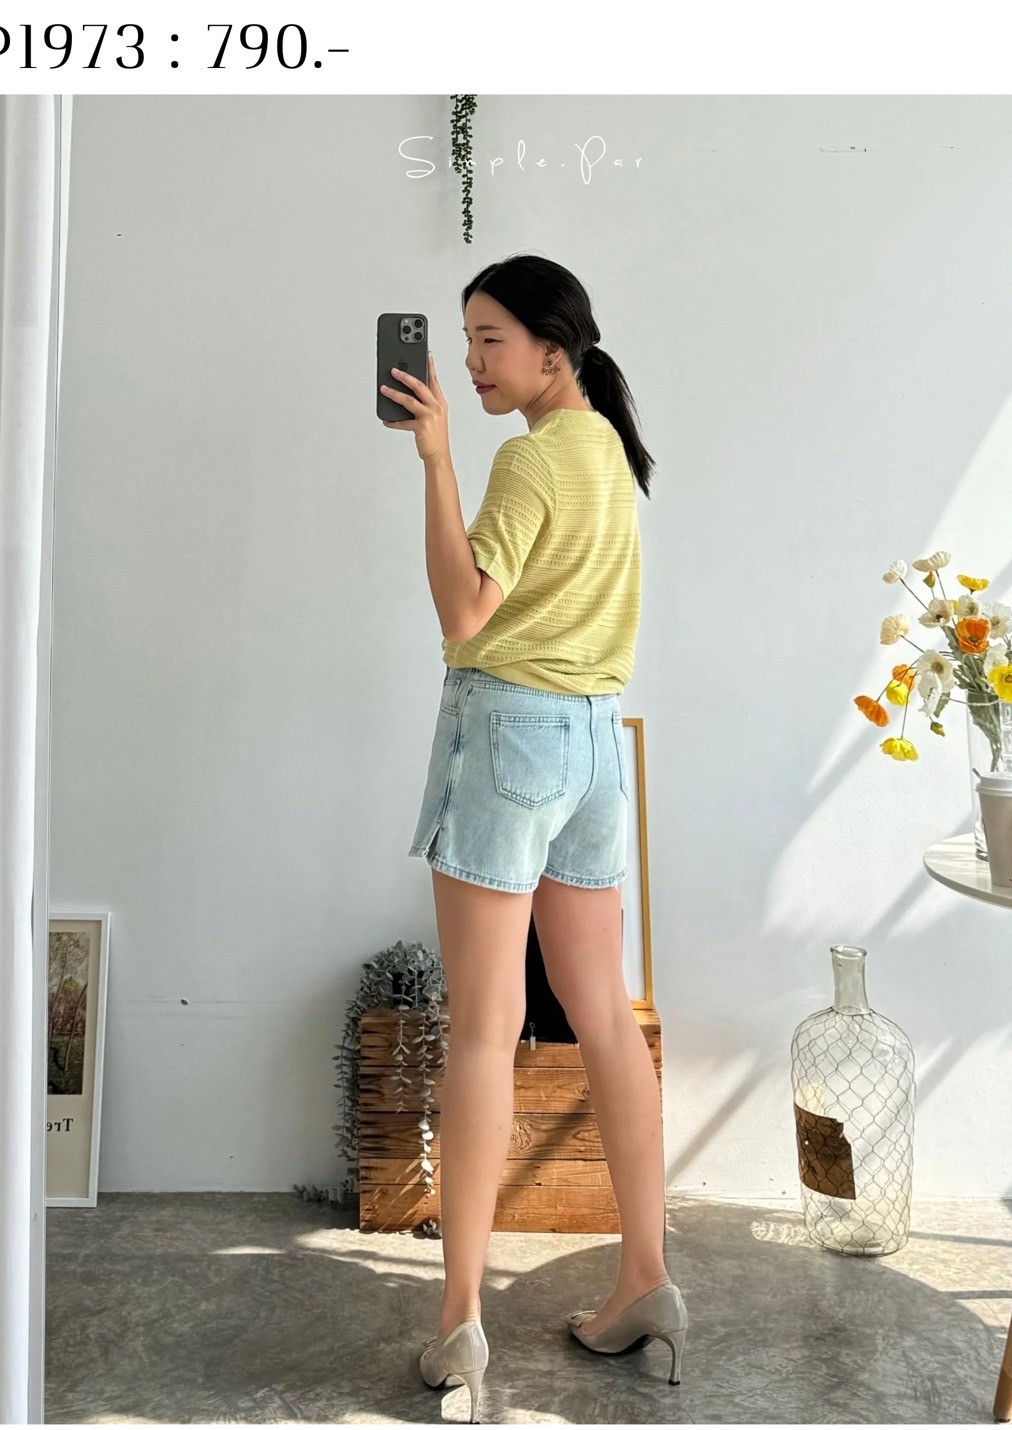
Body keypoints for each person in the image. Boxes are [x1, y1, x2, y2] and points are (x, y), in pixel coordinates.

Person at [381, 252, 687, 1421]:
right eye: (464, 338)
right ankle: (645, 1279)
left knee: (483, 1024)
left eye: (489, 338)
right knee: (602, 1013)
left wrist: (435, 455)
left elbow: (466, 610)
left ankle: (460, 1317)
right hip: (596, 739)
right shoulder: (604, 447)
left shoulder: (529, 455)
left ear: (553, 348)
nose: (469, 360)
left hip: (510, 732)